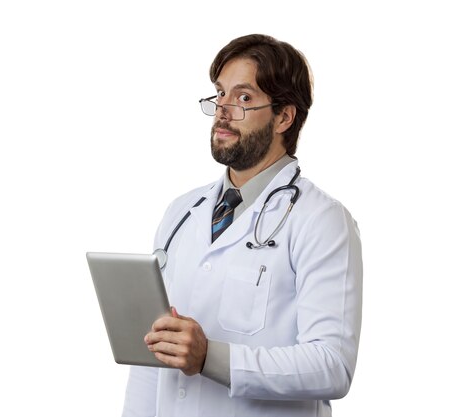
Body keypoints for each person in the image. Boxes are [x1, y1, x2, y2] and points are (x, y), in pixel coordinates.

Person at [122, 34, 363, 417]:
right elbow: (151, 357)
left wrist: (211, 358)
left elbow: (332, 364)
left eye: (244, 98)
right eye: (220, 94)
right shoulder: (182, 212)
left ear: (284, 116)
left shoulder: (321, 220)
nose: (223, 109)